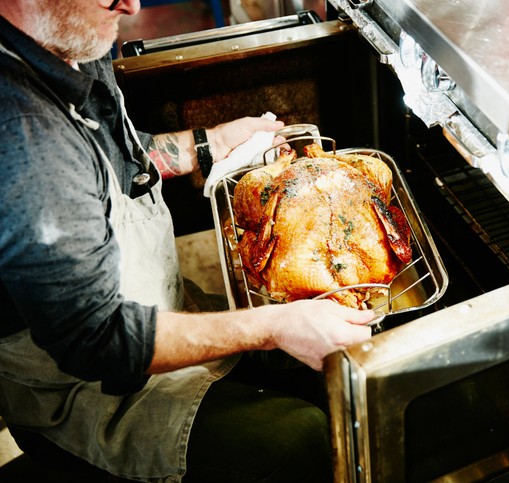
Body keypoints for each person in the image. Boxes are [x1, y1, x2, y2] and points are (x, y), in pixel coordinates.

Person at [0, 0, 374, 481]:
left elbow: (114, 159)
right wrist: (275, 324)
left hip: (157, 309)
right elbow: (97, 341)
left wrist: (213, 142)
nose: (131, 4)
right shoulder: (21, 134)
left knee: (332, 377)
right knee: (297, 442)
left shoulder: (69, 36)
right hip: (86, 390)